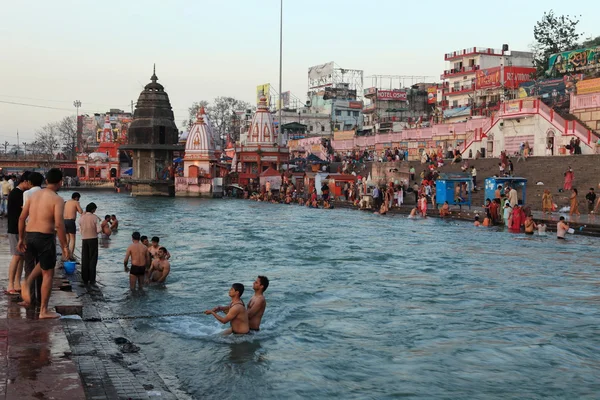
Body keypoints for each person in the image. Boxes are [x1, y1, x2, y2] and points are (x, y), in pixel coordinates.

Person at [17, 169, 69, 319]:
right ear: (60, 182)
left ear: (46, 181)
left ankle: (28, 280)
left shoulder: (34, 196)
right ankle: (43, 311)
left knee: (38, 265)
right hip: (45, 237)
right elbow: (59, 225)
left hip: (30, 235)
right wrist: (64, 246)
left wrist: (21, 239)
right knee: (48, 273)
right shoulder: (57, 199)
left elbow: (21, 218)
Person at [5, 172, 32, 295]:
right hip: (15, 228)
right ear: (25, 181)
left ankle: (17, 283)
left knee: (21, 256)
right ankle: (10, 284)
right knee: (16, 256)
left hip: (19, 228)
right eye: (30, 183)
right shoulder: (17, 194)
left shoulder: (20, 193)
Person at [79, 202, 102, 286]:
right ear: (93, 209)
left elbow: (80, 229)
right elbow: (99, 230)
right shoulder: (94, 217)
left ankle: (85, 278)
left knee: (85, 259)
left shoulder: (82, 218)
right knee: (92, 259)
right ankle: (92, 279)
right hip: (93, 239)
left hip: (84, 239)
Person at [64, 192, 83, 261]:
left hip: (64, 221)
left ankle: (65, 254)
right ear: (76, 197)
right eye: (78, 198)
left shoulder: (66, 202)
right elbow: (81, 211)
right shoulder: (75, 202)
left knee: (67, 238)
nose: (78, 200)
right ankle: (71, 255)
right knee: (73, 239)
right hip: (71, 221)